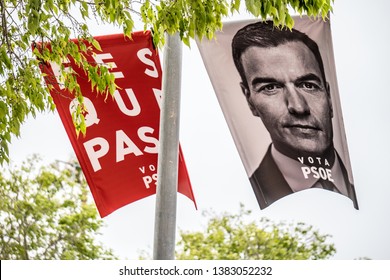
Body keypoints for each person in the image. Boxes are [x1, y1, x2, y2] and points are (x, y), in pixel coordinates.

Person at [231, 20, 358, 209]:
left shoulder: (363, 185)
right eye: (271, 87)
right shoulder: (243, 201)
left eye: (308, 85)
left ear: (329, 96)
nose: (298, 106)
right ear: (250, 101)